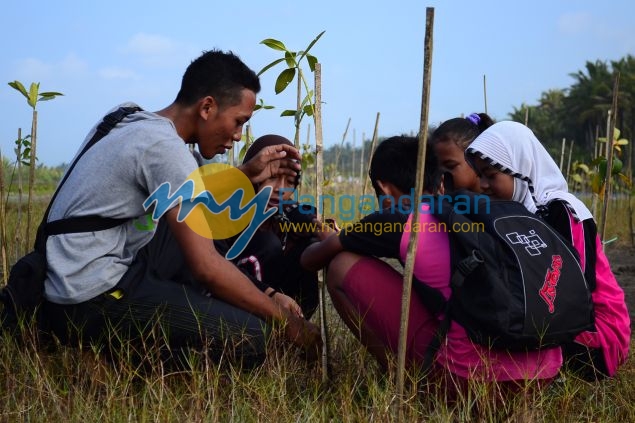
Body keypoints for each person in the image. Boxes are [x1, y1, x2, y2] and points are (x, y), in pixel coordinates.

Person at [40, 49, 322, 370]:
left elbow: (190, 198)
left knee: (189, 233)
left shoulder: (127, 117)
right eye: (239, 121)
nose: (237, 136)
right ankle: (111, 362)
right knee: (249, 337)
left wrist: (245, 175)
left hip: (62, 278)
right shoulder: (168, 151)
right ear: (207, 107)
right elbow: (206, 266)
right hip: (91, 295)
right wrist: (288, 323)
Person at [300, 135, 562, 387]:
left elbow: (310, 261)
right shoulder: (477, 209)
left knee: (340, 265)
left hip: (470, 379)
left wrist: (329, 237)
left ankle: (398, 378)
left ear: (383, 188)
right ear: (439, 182)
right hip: (543, 373)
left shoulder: (399, 219)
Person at [465, 120, 631, 380]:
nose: (483, 185)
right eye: (480, 176)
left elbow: (576, 293)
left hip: (596, 334)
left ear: (520, 169)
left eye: (491, 175)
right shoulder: (513, 217)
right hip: (550, 320)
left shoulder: (563, 211)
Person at [215, 134, 331, 319]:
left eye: (290, 182)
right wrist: (270, 295)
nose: (280, 188)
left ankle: (296, 327)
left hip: (280, 306)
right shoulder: (227, 210)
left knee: (311, 246)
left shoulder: (287, 212)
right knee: (267, 243)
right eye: (273, 177)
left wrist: (320, 228)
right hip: (230, 307)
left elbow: (304, 213)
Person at [430, 112, 494, 192]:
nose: (440, 176)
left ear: (476, 161)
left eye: (450, 166)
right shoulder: (437, 201)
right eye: (435, 169)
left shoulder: (499, 201)